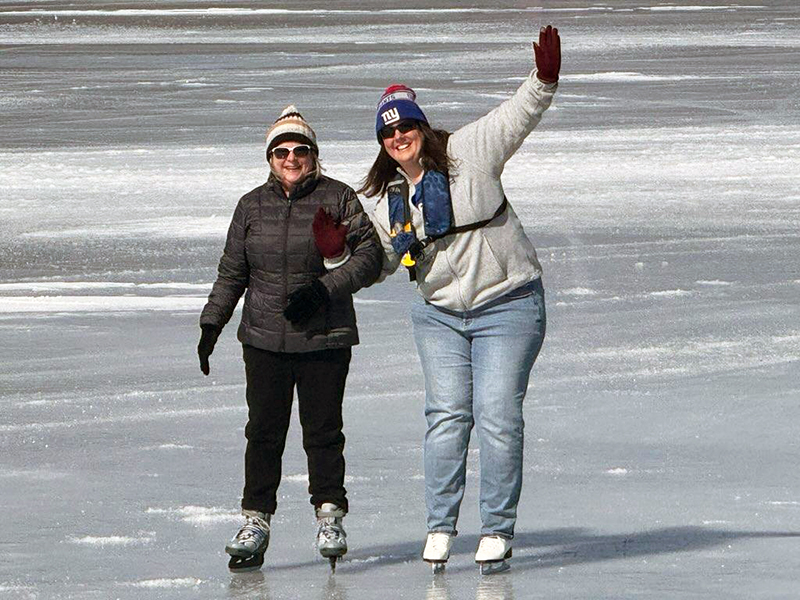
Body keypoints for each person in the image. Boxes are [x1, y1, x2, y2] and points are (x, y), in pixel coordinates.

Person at [359, 26, 561, 573]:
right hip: (439, 315)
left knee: (496, 414)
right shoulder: (383, 196)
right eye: (388, 132)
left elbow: (517, 115)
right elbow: (378, 262)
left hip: (508, 303)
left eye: (405, 126)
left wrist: (543, 79)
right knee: (447, 416)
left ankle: (496, 528)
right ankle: (440, 526)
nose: (398, 136)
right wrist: (335, 253)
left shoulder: (469, 151)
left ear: (421, 126)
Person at [197, 105, 382, 571]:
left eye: (300, 150)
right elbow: (232, 272)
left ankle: (330, 516)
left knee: (323, 432)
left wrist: (323, 289)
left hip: (324, 338)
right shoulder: (250, 206)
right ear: (270, 158)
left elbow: (370, 258)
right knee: (263, 432)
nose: (291, 158)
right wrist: (212, 322)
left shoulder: (338, 197)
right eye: (281, 152)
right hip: (264, 341)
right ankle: (255, 522)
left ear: (313, 154)